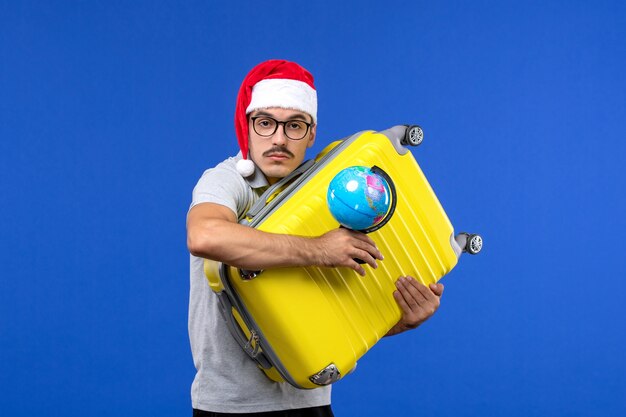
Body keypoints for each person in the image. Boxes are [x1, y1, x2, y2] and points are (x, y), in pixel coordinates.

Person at [186, 60, 444, 416]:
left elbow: (327, 311)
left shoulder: (328, 194)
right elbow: (205, 235)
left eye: (294, 125)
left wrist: (399, 320)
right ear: (248, 128)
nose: (278, 138)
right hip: (230, 408)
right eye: (265, 123)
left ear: (311, 134)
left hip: (311, 400)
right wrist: (318, 249)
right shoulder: (228, 181)